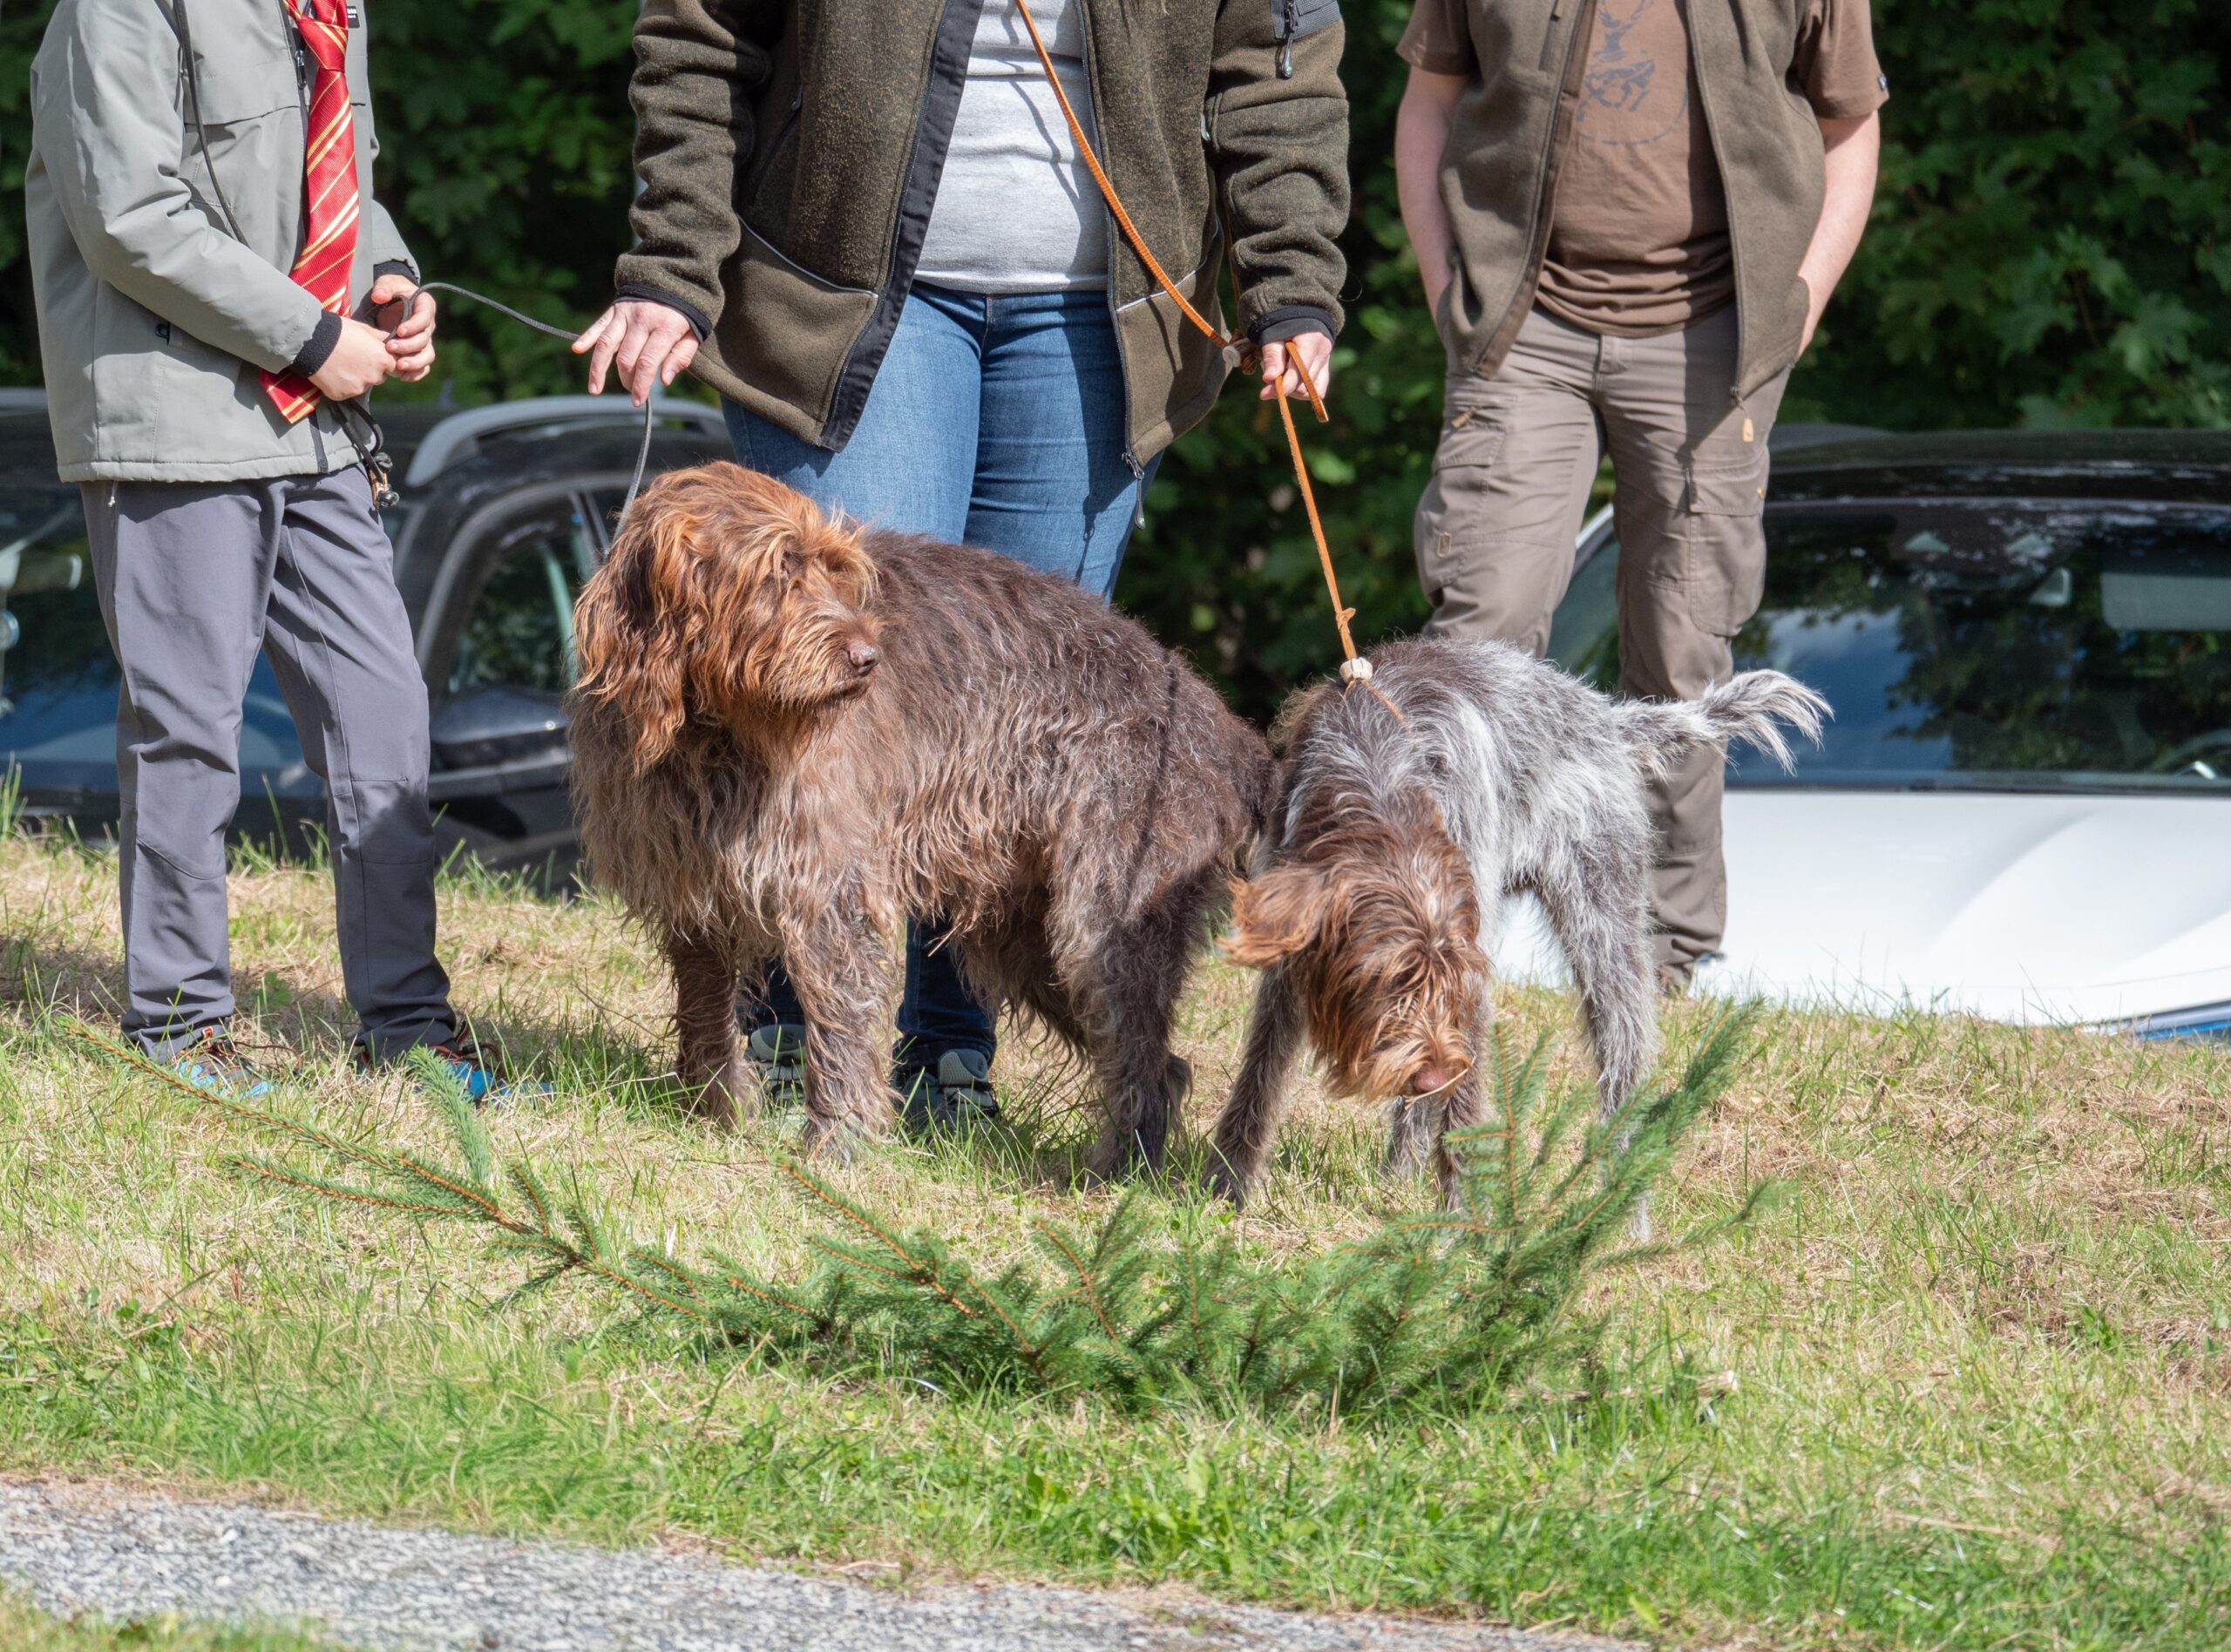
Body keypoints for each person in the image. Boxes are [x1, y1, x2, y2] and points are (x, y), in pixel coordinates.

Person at [575, 0, 1352, 1127]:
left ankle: (947, 1059)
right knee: (812, 680)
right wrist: (673, 261)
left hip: (1105, 313)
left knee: (1002, 751)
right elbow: (702, 33)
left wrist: (1290, 273)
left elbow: (1273, 65)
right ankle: (792, 1048)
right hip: (841, 290)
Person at [25, 0, 505, 1097]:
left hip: (316, 426)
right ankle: (179, 1031)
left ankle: (408, 1034)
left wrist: (391, 283)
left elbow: (338, 186)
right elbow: (129, 216)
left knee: (385, 715)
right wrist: (312, 335)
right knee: (189, 732)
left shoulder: (329, 6)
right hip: (176, 419)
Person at [1393, 0, 1884, 989]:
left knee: (1681, 650)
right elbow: (1430, 104)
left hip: (1715, 334)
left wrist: (1796, 308)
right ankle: (1436, 932)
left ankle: (1662, 956)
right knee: (1478, 637)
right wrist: (1451, 294)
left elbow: (1850, 126)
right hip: (1523, 330)